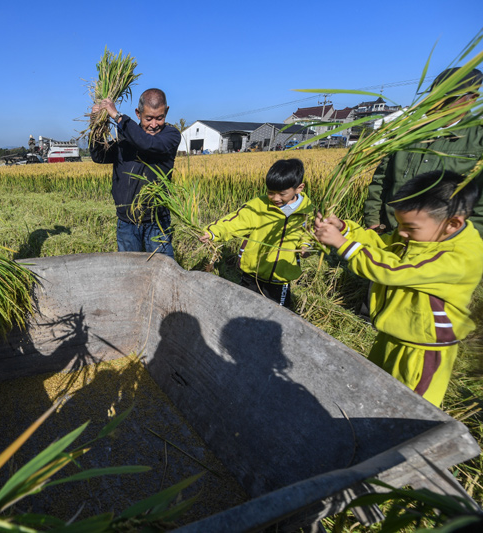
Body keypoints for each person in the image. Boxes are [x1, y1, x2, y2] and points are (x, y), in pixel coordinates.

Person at [315, 170, 483, 407]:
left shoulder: (458, 258)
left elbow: (395, 270)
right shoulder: (422, 235)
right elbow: (385, 247)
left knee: (409, 407)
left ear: (452, 223)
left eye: (410, 228)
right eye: (400, 225)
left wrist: (344, 245)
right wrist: (345, 229)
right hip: (392, 333)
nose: (402, 233)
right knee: (375, 390)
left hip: (421, 349)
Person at [364, 67, 483, 235]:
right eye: (435, 96)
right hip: (391, 235)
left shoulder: (478, 140)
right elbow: (381, 181)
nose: (438, 103)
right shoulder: (408, 134)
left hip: (443, 247)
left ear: (472, 99)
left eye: (449, 98)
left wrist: (460, 242)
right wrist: (373, 223)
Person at [199, 159, 313, 309]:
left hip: (281, 277)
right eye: (271, 193)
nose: (275, 198)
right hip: (252, 273)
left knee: (278, 314)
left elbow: (308, 235)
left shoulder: (306, 212)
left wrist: (306, 247)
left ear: (299, 188)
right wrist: (212, 232)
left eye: (282, 194)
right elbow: (234, 222)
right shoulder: (258, 206)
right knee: (244, 308)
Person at [90, 88, 181, 259]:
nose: (154, 124)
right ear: (138, 114)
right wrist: (96, 125)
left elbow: (148, 144)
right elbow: (99, 156)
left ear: (166, 112)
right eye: (149, 118)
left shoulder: (170, 136)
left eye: (159, 118)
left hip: (157, 222)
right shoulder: (125, 138)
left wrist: (117, 116)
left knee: (162, 270)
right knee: (129, 273)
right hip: (127, 223)